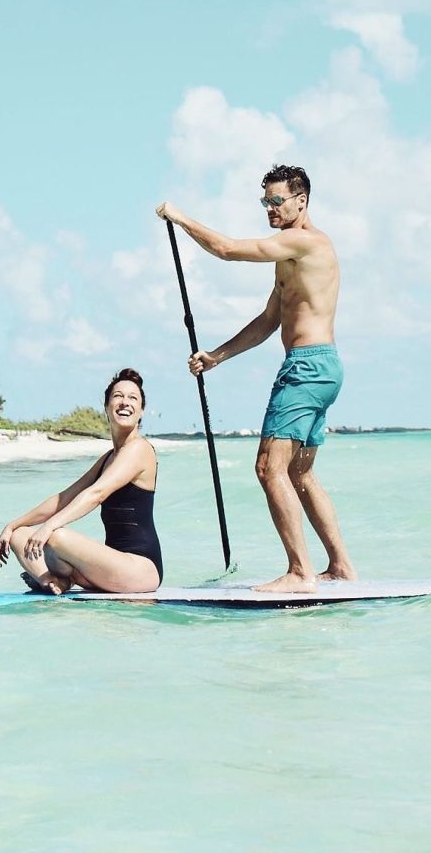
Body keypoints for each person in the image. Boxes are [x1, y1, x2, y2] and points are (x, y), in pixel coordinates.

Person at [156, 164, 357, 594]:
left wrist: (180, 217)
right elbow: (269, 320)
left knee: (269, 468)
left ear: (301, 202)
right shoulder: (290, 257)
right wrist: (216, 357)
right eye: (265, 201)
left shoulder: (304, 241)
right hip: (322, 368)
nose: (269, 208)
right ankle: (340, 567)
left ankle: (300, 573)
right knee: (300, 474)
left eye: (276, 201)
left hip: (306, 367)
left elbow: (227, 250)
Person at [0, 368, 163, 595]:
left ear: (141, 411)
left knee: (57, 537)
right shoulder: (108, 458)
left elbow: (97, 494)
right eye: (118, 396)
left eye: (133, 398)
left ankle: (60, 577)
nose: (125, 402)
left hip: (141, 570)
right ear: (106, 407)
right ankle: (55, 581)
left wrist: (49, 528)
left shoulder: (140, 449)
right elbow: (64, 498)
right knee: (19, 536)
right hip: (110, 568)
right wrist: (12, 525)